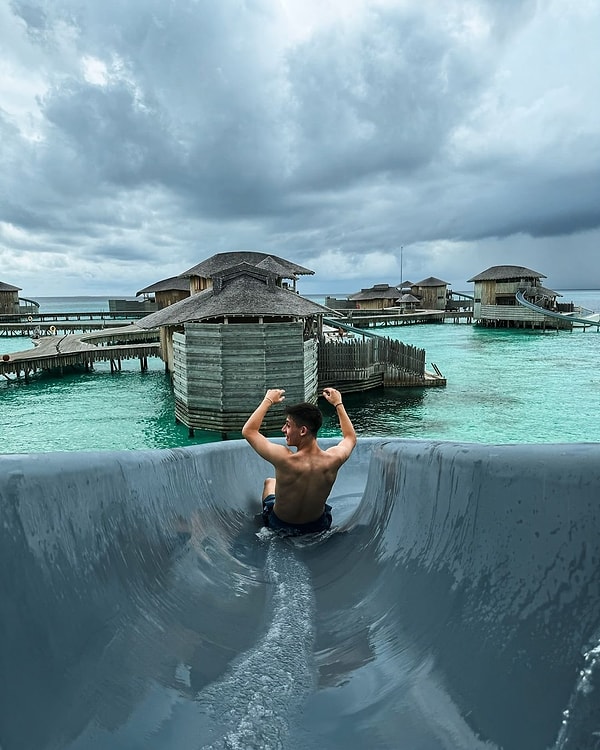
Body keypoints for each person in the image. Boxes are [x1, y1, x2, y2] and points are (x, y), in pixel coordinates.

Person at [242, 387, 357, 535]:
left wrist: (268, 400)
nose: (283, 429)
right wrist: (338, 404)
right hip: (317, 527)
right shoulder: (333, 459)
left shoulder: (284, 459)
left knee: (270, 482)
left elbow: (249, 431)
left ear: (303, 431)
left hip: (279, 525)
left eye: (288, 425)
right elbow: (350, 438)